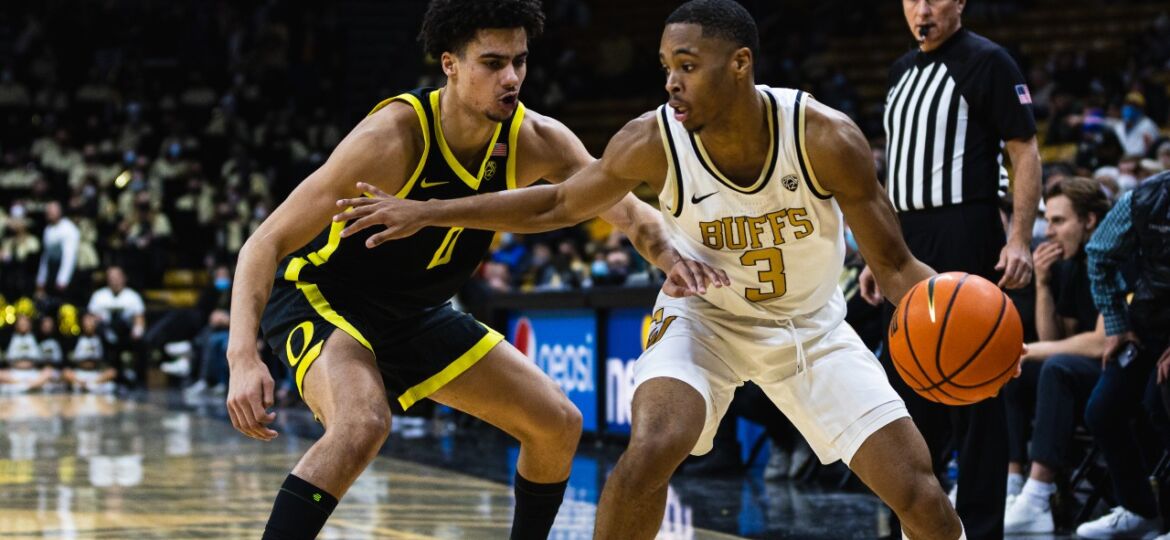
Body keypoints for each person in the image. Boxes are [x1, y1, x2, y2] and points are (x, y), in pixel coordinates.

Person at [334, 2, 971, 538]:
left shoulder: (824, 137)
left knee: (919, 495)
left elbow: (895, 268)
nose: (671, 82)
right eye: (667, 66)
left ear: (740, 65)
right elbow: (558, 202)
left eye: (688, 67)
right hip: (704, 318)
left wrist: (969, 318)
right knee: (650, 450)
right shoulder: (651, 139)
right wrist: (434, 211)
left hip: (811, 327)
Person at [225, 2, 722, 539]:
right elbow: (264, 242)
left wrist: (671, 254)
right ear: (450, 64)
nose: (511, 78)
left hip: (415, 313)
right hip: (323, 298)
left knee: (557, 424)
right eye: (492, 63)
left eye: (519, 61)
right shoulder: (393, 137)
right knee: (362, 423)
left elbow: (627, 211)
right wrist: (242, 357)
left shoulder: (537, 139)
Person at [858, 1, 1042, 537]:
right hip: (907, 235)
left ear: (959, 1)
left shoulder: (989, 61)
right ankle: (916, 524)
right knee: (906, 389)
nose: (923, 8)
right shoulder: (897, 71)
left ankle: (982, 529)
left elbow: (1024, 149)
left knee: (978, 392)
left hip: (968, 228)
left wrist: (1020, 239)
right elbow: (892, 171)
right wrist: (880, 251)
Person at [1001, 177, 1110, 533]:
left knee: (1055, 367)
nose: (1048, 231)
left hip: (1125, 371)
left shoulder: (1111, 257)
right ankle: (1013, 481)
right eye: (1047, 221)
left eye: (1058, 221)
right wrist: (1044, 283)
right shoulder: (1070, 264)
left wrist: (1031, 350)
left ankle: (1038, 494)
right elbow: (1056, 337)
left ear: (1089, 221)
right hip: (1085, 370)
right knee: (1014, 373)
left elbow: (1098, 342)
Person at [1078, 170, 1170, 539]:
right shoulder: (1146, 195)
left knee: (1160, 403)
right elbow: (1098, 253)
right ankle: (1139, 510)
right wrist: (1117, 324)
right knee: (1102, 410)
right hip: (1149, 325)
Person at [87, 265, 147, 388]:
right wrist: (92, 327)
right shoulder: (99, 296)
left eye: (117, 277)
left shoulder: (132, 296)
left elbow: (139, 319)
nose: (114, 280)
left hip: (126, 335)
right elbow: (90, 318)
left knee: (142, 342)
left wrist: (137, 332)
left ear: (124, 278)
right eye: (111, 277)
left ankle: (136, 379)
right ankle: (104, 375)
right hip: (103, 335)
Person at [35, 200, 80, 300]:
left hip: (70, 274)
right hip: (52, 270)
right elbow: (46, 256)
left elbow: (69, 257)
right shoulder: (48, 229)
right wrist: (41, 280)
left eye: (52, 211)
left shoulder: (68, 229)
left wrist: (62, 280)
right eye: (47, 211)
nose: (48, 213)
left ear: (60, 212)